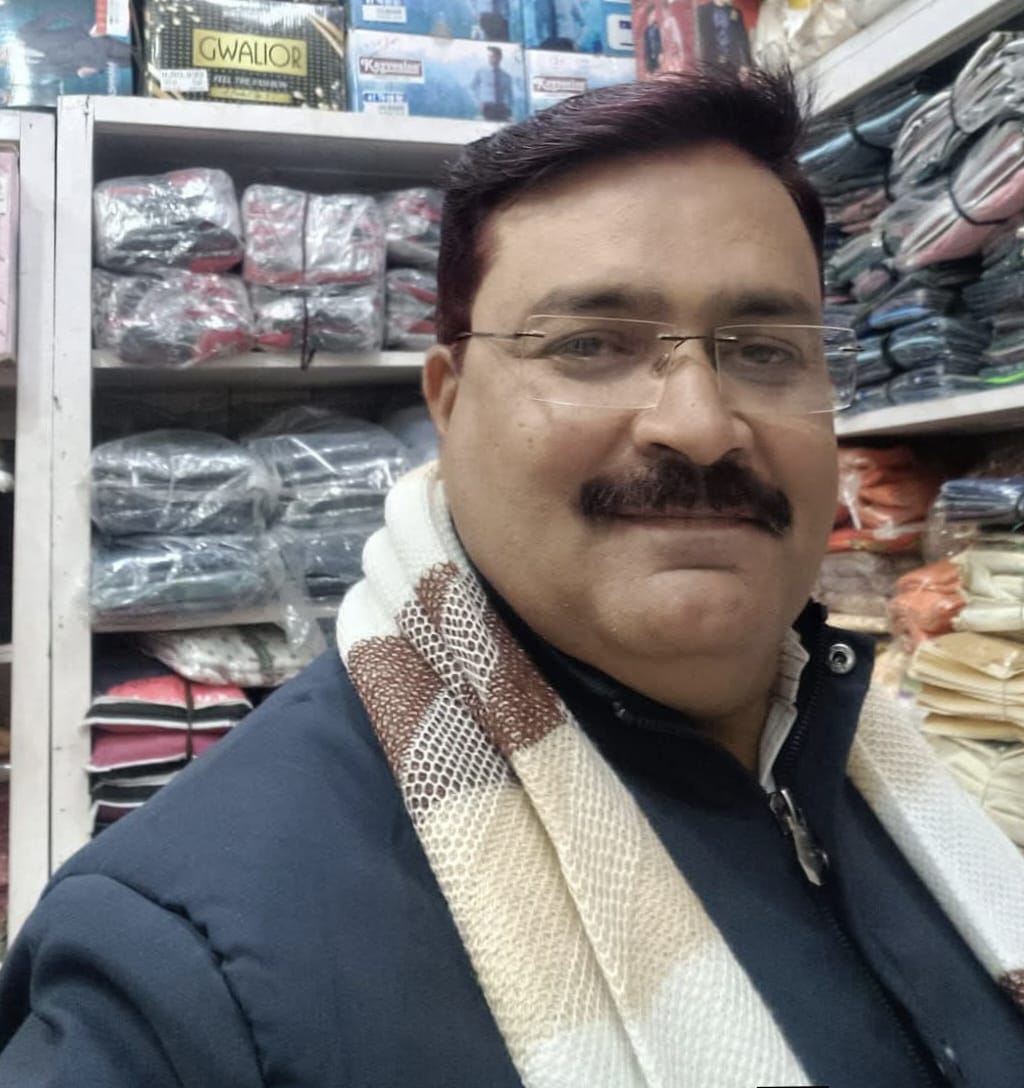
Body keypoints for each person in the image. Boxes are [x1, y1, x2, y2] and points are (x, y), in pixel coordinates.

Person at [2, 67, 1024, 1088]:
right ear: (449, 403)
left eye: (764, 351)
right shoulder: (183, 980)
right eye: (591, 345)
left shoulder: (887, 778)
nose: (701, 425)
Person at [696, 0, 753, 71]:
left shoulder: (735, 12)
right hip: (711, 61)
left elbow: (742, 38)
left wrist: (745, 63)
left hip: (732, 62)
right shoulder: (702, 11)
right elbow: (699, 38)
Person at [470, 45, 514, 122]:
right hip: (487, 107)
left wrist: (509, 108)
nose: (491, 58)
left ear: (500, 58)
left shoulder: (506, 76)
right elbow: (472, 87)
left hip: (501, 107)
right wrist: (478, 102)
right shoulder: (481, 72)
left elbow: (510, 95)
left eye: (493, 56)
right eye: (489, 56)